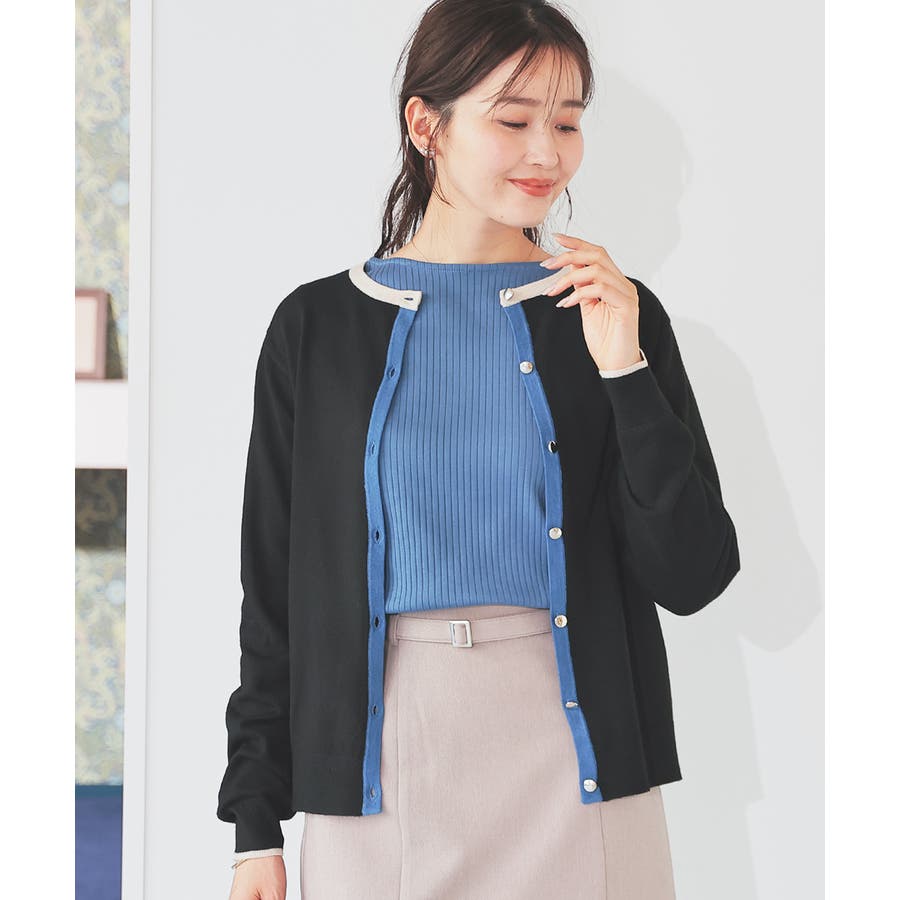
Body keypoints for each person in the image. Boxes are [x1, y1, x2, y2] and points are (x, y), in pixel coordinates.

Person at [219, 1, 740, 897]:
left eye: (567, 123)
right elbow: (272, 595)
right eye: (514, 120)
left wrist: (624, 371)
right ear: (427, 125)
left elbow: (693, 576)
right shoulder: (316, 328)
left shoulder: (612, 311)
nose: (548, 152)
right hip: (381, 766)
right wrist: (254, 827)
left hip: (577, 757)